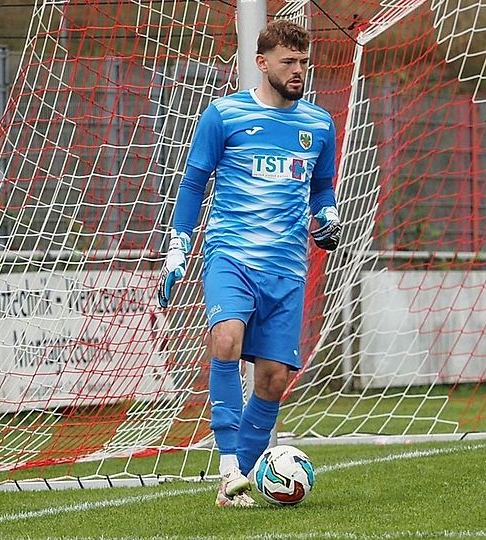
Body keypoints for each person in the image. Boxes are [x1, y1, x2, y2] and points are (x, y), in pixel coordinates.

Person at [156, 19, 341, 508]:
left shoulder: (319, 124)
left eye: (304, 62)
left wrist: (328, 218)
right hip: (230, 254)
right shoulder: (224, 116)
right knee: (225, 338)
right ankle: (229, 464)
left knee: (274, 379)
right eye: (289, 62)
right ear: (262, 63)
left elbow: (322, 189)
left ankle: (238, 475)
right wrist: (177, 247)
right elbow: (195, 183)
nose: (299, 70)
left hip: (286, 266)